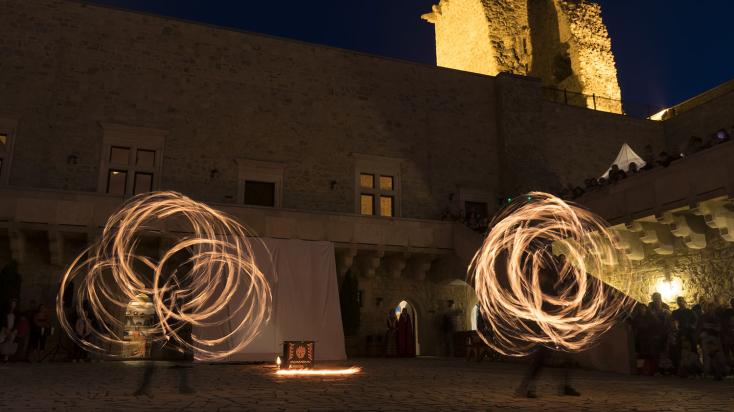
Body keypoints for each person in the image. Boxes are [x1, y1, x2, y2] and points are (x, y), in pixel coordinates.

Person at [515, 254, 580, 398]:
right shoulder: (545, 285)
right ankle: (527, 387)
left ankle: (564, 386)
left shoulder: (553, 285)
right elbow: (543, 306)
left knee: (564, 358)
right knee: (542, 359)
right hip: (547, 327)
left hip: (555, 326)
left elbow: (560, 301)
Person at [671, 297, 697, 364]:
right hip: (679, 332)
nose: (679, 302)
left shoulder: (690, 312)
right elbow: (673, 322)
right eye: (678, 301)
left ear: (684, 301)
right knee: (676, 346)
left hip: (689, 332)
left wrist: (691, 326)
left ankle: (694, 362)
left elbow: (695, 322)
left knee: (693, 345)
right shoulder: (675, 312)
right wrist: (675, 327)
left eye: (681, 301)